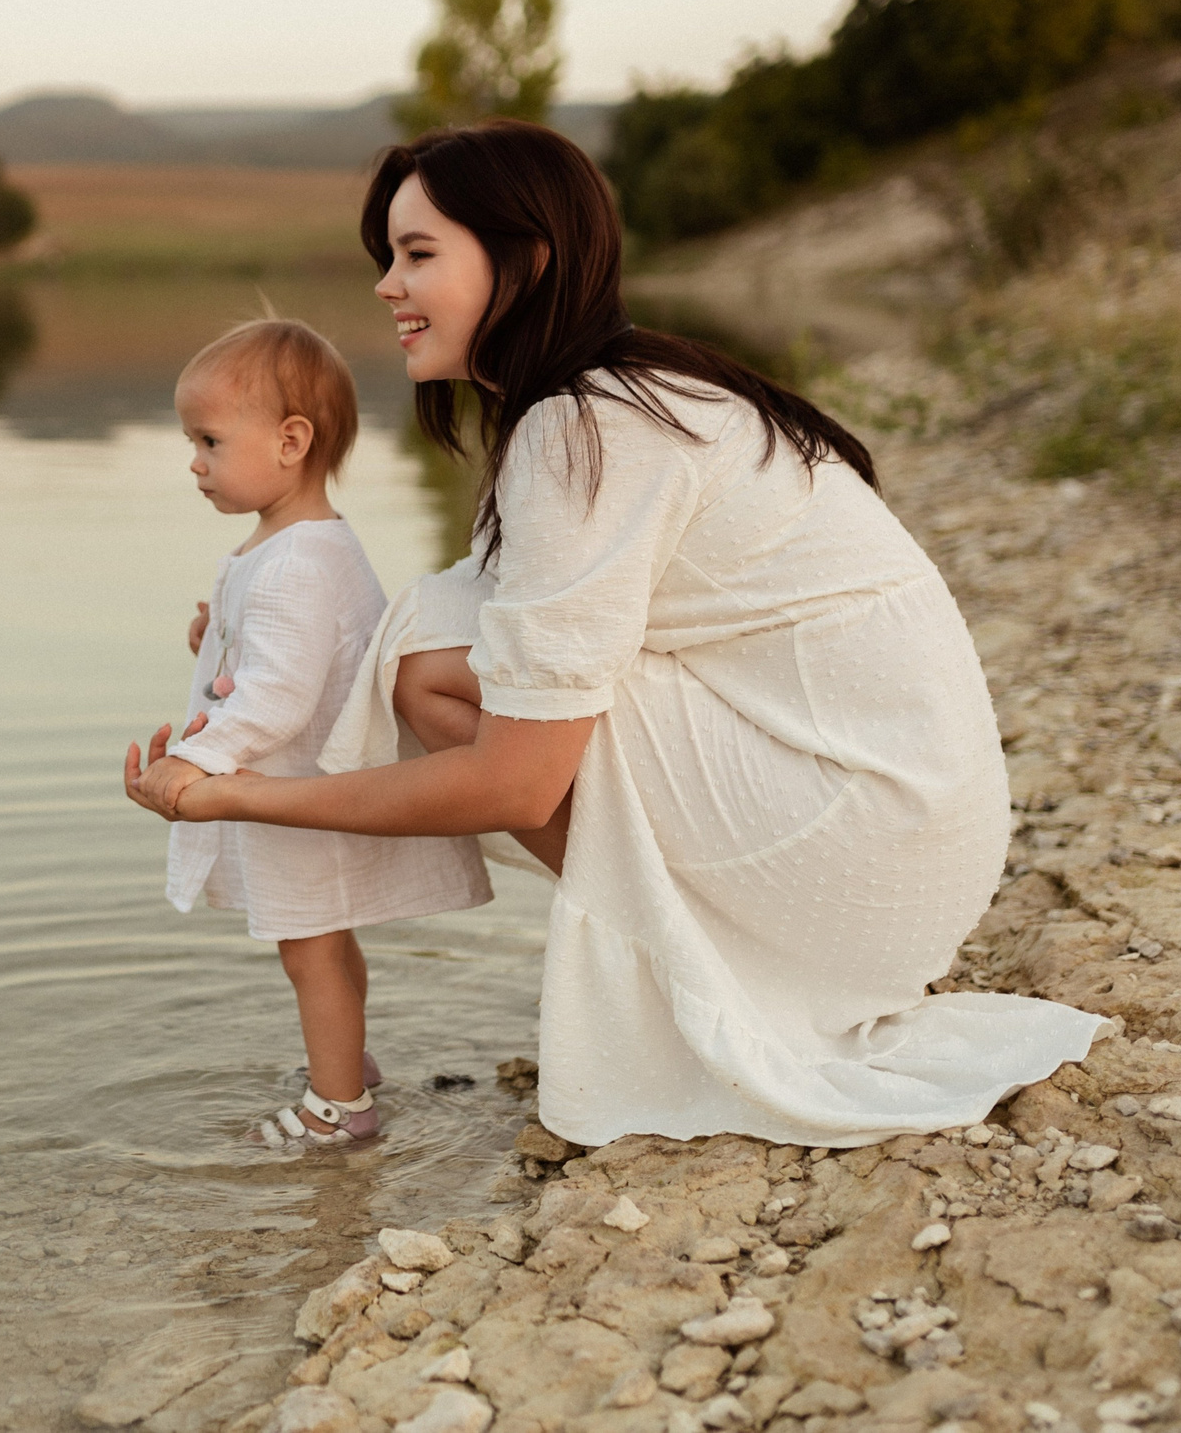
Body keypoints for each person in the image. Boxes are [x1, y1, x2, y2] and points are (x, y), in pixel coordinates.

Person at [126, 123, 1101, 1149]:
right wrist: (251, 622)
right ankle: (733, 961)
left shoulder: (585, 431)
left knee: (432, 675)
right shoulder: (629, 395)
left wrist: (239, 794)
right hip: (907, 830)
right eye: (386, 257)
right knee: (440, 644)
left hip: (866, 847)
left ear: (526, 261)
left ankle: (714, 981)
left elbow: (515, 784)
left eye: (417, 255)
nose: (384, 286)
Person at [128, 319, 492, 1147]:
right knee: (321, 937)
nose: (194, 461)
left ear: (292, 440)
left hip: (301, 782)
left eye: (210, 440)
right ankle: (346, 1059)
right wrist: (216, 630)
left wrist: (196, 760)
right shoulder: (285, 545)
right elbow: (288, 650)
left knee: (310, 948)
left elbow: (281, 698)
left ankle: (340, 1108)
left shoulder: (295, 560)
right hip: (307, 782)